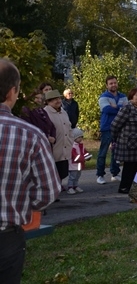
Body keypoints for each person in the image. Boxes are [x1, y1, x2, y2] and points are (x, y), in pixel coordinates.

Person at [0, 58, 61, 283]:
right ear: (13, 91)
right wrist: (20, 203)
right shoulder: (30, 135)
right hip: (6, 237)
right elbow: (49, 190)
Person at [110, 88, 137, 196]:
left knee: (136, 166)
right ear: (131, 96)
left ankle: (133, 187)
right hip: (129, 143)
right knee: (129, 166)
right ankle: (124, 187)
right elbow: (115, 125)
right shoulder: (127, 108)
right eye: (136, 95)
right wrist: (117, 137)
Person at [97, 76, 127, 185]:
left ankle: (115, 173)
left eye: (115, 83)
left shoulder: (123, 96)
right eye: (111, 83)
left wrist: (115, 107)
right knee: (103, 152)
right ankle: (100, 175)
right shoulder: (103, 97)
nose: (113, 85)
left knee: (117, 152)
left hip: (120, 127)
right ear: (107, 85)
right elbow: (106, 109)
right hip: (107, 127)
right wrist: (119, 108)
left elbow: (126, 109)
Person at [42, 89, 73, 191]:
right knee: (53, 171)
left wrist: (71, 139)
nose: (57, 101)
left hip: (65, 146)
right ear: (48, 102)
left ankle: (56, 188)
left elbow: (69, 127)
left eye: (58, 98)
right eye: (53, 100)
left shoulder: (63, 111)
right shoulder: (45, 112)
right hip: (54, 148)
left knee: (62, 171)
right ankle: (52, 191)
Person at [68, 128, 86, 194]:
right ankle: (70, 187)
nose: (80, 138)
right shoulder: (73, 146)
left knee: (77, 175)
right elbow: (75, 156)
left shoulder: (81, 145)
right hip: (73, 164)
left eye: (81, 137)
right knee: (72, 176)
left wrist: (87, 155)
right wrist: (83, 158)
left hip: (79, 164)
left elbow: (84, 152)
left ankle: (75, 186)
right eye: (79, 137)